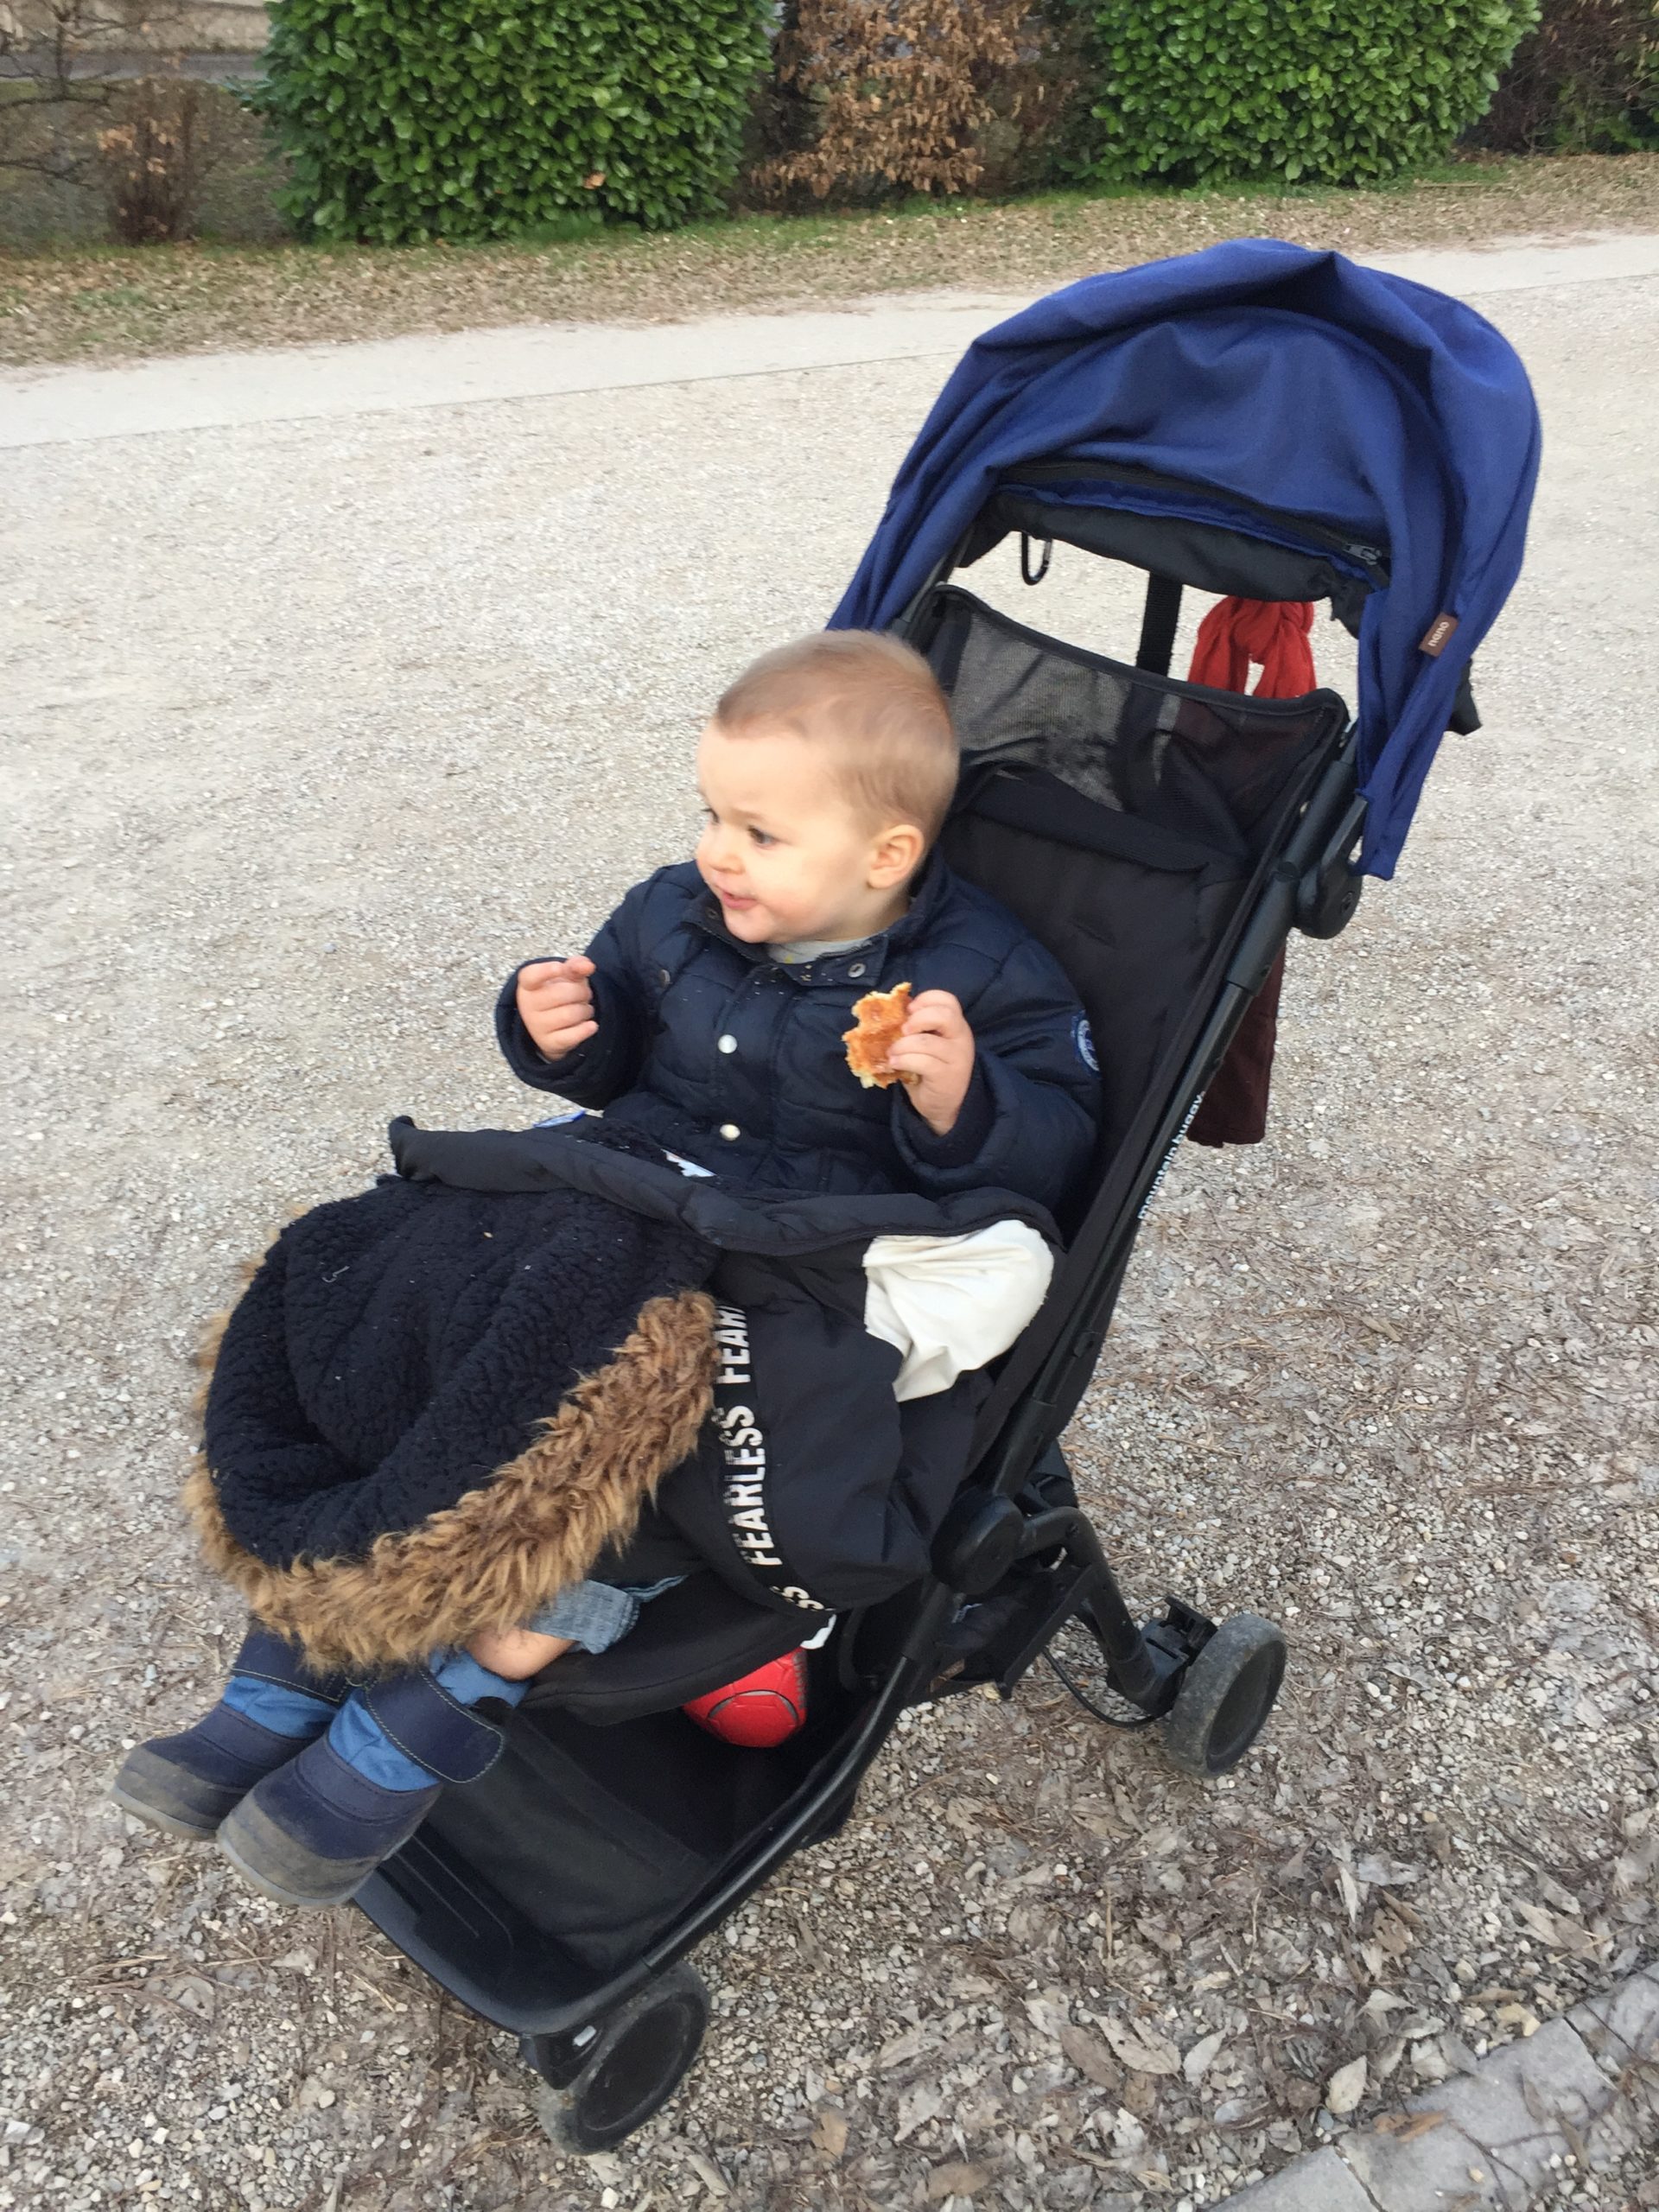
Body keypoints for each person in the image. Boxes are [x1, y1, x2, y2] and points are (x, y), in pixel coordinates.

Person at [112, 631, 1099, 1909]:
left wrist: (963, 1101)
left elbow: (1058, 1146)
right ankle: (295, 1644)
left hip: (790, 1241)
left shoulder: (986, 979)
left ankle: (453, 1692)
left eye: (758, 833)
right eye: (712, 815)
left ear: (885, 856)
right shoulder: (676, 913)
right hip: (627, 1189)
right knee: (401, 1283)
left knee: (654, 1428)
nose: (718, 852)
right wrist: (558, 1032)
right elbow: (616, 1044)